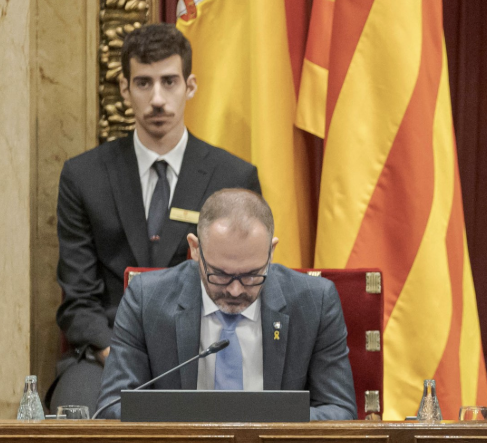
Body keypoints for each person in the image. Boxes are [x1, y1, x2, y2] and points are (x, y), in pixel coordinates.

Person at [52, 23, 261, 412]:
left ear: (191, 86)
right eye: (144, 83)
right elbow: (78, 299)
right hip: (105, 352)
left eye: (169, 82)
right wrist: (119, 352)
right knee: (76, 422)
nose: (158, 99)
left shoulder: (232, 177)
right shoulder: (84, 177)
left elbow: (245, 287)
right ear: (124, 89)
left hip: (205, 347)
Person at [96, 189, 355, 421]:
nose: (235, 289)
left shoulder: (315, 301)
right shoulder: (146, 299)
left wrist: (265, 424)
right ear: (195, 249)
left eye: (252, 274)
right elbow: (114, 407)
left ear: (271, 252)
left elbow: (339, 409)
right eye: (219, 274)